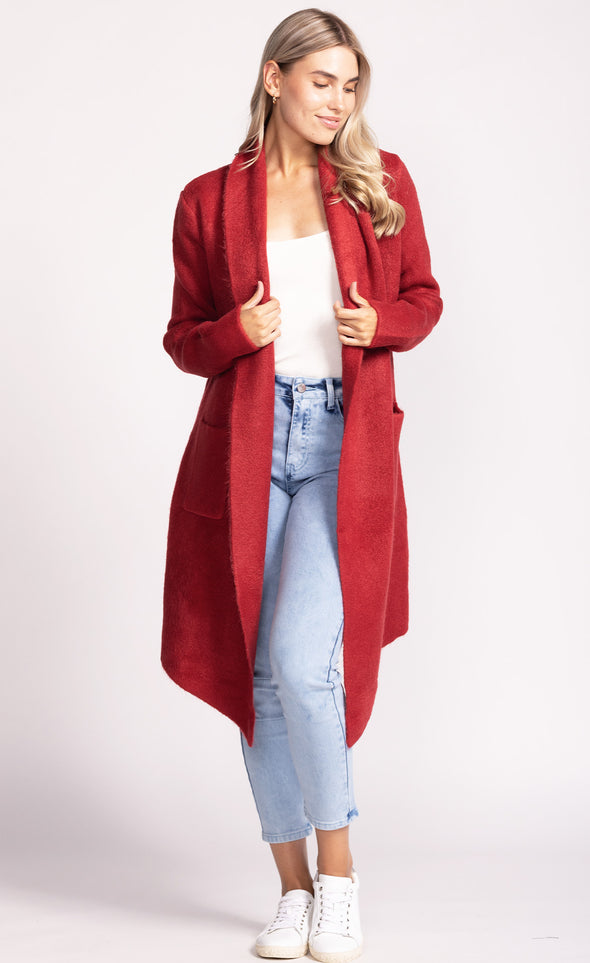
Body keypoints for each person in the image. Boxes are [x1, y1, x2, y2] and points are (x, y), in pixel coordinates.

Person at [161, 8, 442, 961]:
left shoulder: (378, 179)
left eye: (350, 85)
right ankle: (292, 892)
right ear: (275, 78)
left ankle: (341, 880)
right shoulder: (209, 200)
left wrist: (381, 327)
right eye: (323, 81)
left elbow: (423, 298)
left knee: (304, 661)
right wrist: (234, 333)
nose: (339, 101)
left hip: (339, 445)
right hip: (244, 451)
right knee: (258, 675)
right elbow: (183, 338)